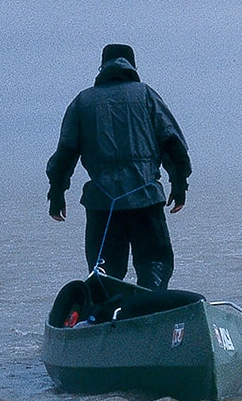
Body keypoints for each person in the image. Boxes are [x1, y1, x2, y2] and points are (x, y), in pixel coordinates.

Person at [46, 44, 192, 289]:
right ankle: (150, 313)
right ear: (133, 66)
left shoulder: (83, 102)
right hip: (145, 199)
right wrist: (179, 185)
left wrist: (57, 194)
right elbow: (172, 143)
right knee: (154, 264)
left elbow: (66, 152)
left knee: (104, 273)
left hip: (102, 204)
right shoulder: (146, 96)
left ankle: (106, 320)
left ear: (102, 66)